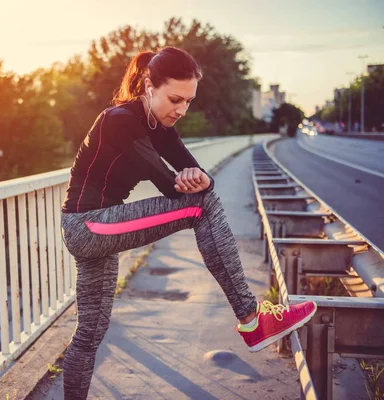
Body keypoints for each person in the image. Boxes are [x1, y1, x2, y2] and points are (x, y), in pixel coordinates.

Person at [60, 46, 317, 399]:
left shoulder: (160, 125)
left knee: (90, 333)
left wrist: (201, 179)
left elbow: (198, 173)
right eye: (175, 99)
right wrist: (197, 184)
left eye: (189, 101)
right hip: (87, 224)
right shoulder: (119, 119)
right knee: (200, 206)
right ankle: (251, 317)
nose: (181, 109)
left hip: (98, 228)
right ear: (149, 86)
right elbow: (169, 182)